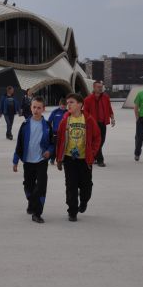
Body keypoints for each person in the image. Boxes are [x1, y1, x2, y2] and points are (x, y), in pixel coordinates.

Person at [55, 93, 101, 221]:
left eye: (71, 102)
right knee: (71, 185)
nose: (68, 104)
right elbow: (60, 140)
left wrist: (92, 152)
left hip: (84, 159)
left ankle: (84, 200)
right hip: (69, 159)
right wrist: (59, 158)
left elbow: (97, 137)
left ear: (80, 105)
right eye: (67, 102)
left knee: (86, 186)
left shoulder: (88, 119)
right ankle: (72, 211)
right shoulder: (65, 120)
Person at [12, 97, 54, 223]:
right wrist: (15, 161)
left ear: (43, 109)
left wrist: (49, 152)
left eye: (39, 108)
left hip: (41, 161)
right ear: (31, 108)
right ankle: (31, 201)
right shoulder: (25, 125)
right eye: (34, 107)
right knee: (29, 186)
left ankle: (37, 213)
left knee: (41, 187)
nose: (36, 110)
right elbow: (19, 144)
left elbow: (52, 143)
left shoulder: (47, 126)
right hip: (28, 162)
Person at [84, 80, 115, 167]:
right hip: (93, 125)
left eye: (101, 87)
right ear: (94, 87)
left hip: (102, 123)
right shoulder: (88, 99)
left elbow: (109, 108)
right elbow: (85, 112)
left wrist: (112, 118)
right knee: (98, 141)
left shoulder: (106, 97)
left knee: (102, 141)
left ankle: (94, 156)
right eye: (98, 87)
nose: (100, 88)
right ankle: (100, 160)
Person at [47, 97, 68, 164]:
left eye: (64, 106)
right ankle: (52, 158)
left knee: (63, 146)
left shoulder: (68, 112)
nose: (63, 107)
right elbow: (49, 121)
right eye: (62, 105)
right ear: (59, 104)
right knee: (55, 146)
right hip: (55, 132)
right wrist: (49, 130)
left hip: (65, 133)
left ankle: (61, 159)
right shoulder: (55, 112)